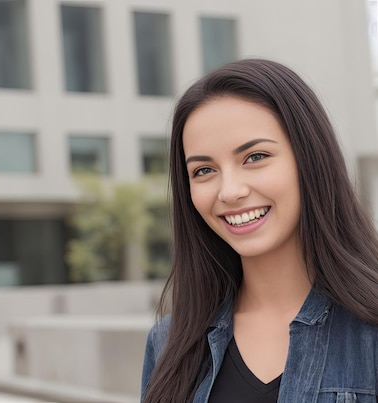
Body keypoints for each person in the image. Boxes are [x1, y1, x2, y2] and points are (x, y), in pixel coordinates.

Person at [141, 59, 378, 402]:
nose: (229, 191)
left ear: (309, 158)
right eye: (204, 170)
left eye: (255, 157)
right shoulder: (168, 345)